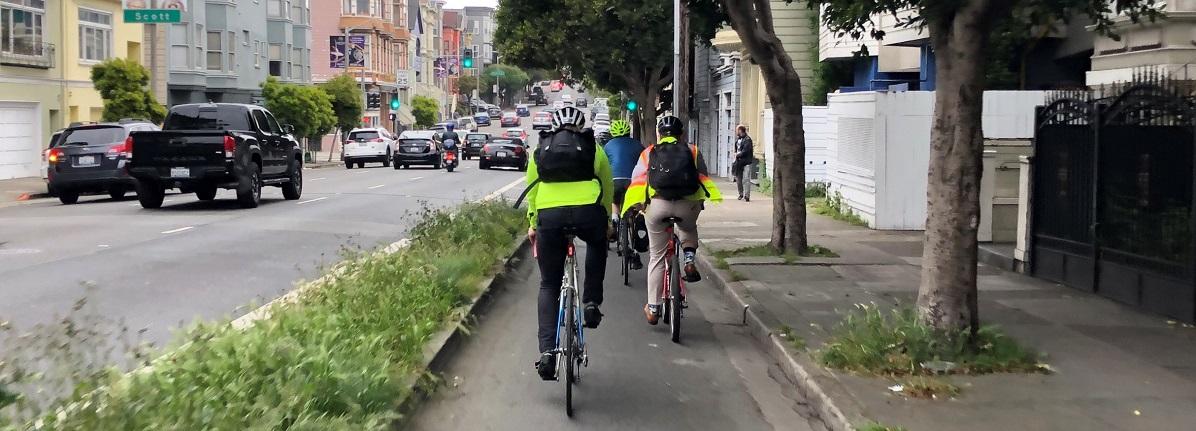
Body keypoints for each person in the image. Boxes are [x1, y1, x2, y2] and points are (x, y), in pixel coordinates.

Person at [525, 106, 614, 380]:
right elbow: (607, 186)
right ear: (579, 127)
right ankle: (590, 302)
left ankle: (547, 354)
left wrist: (532, 222)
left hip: (549, 218)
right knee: (598, 244)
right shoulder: (594, 148)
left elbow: (533, 188)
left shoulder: (541, 149)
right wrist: (607, 220)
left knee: (549, 284)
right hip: (588, 213)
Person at [622, 116, 722, 325]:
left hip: (658, 206)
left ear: (659, 134)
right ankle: (688, 260)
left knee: (657, 257)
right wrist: (700, 202)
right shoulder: (693, 151)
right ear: (681, 134)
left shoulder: (648, 153)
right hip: (687, 204)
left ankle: (653, 308)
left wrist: (638, 205)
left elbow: (638, 181)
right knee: (688, 228)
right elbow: (702, 178)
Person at [603, 119, 644, 270]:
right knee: (633, 207)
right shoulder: (637, 145)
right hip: (633, 182)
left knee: (615, 201)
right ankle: (633, 232)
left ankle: (614, 221)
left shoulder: (607, 146)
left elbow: (604, 165)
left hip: (614, 181)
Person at [733, 124, 754, 202]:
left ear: (740, 131)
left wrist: (737, 155)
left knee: (746, 179)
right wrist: (735, 154)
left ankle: (747, 195)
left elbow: (746, 151)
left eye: (736, 130)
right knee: (738, 179)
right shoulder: (738, 140)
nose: (736, 132)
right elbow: (736, 149)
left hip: (746, 162)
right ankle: (741, 194)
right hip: (738, 162)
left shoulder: (748, 140)